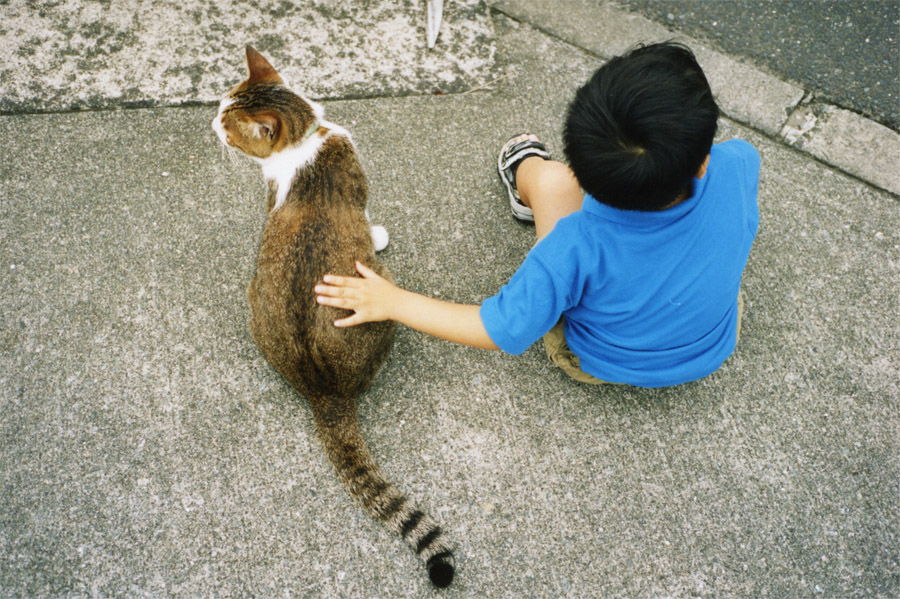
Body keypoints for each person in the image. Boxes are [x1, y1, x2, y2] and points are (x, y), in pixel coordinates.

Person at [315, 41, 760, 388]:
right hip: (714, 341)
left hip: (598, 359)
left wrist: (394, 301)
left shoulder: (574, 247)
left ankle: (525, 171)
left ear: (583, 169)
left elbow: (499, 329)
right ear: (701, 160)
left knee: (548, 182)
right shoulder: (739, 162)